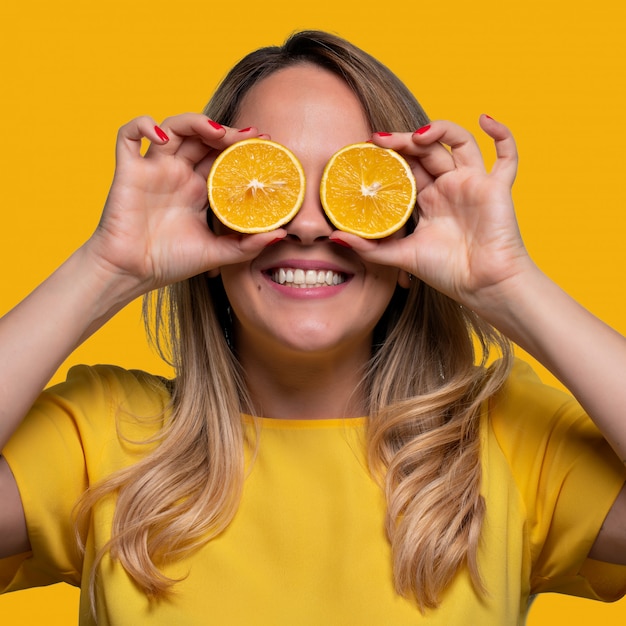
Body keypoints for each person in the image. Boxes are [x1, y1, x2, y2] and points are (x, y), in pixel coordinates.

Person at [1, 29, 625, 625]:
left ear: (411, 230)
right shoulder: (107, 439)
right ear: (211, 219)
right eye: (269, 183)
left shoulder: (504, 443)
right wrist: (107, 267)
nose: (306, 226)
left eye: (350, 185)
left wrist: (506, 283)